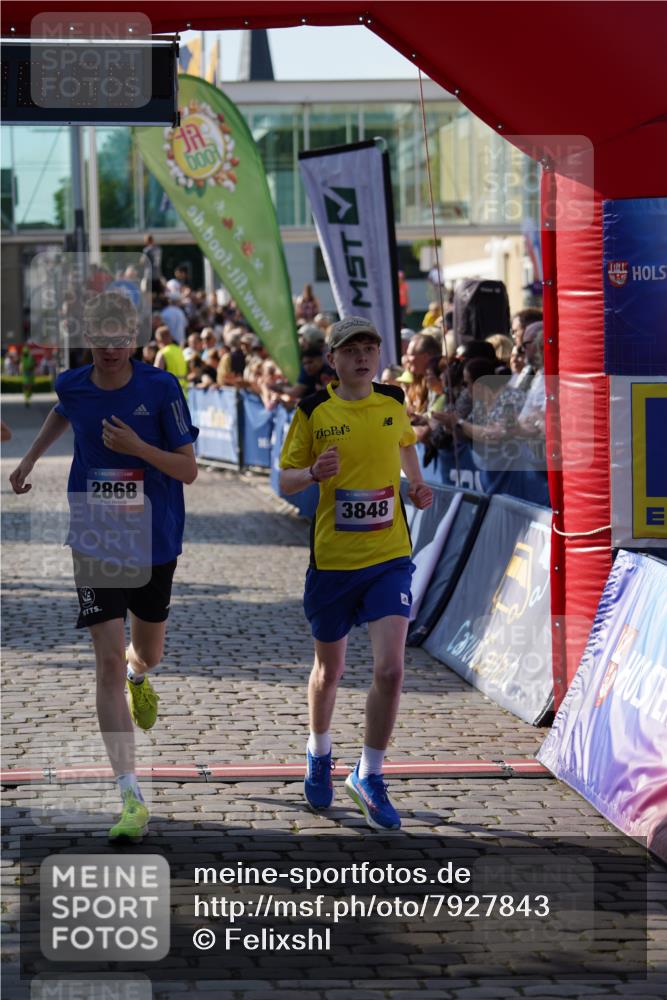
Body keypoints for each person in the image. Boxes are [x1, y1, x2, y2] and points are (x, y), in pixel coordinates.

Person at [9, 291, 199, 842]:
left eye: (121, 337)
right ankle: (130, 794)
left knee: (147, 654)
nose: (111, 347)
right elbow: (63, 410)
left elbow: (187, 470)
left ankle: (144, 676)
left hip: (155, 537)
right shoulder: (73, 382)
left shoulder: (161, 388)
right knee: (108, 663)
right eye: (101, 337)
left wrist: (139, 447)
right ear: (87, 338)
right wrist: (28, 459)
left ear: (135, 337)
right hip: (94, 533)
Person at [279, 316, 432, 831]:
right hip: (334, 563)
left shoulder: (391, 401)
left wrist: (415, 484)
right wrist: (311, 474)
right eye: (352, 350)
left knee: (390, 669)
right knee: (330, 671)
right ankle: (319, 752)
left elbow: (406, 440)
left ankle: (369, 774)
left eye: (370, 347)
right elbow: (283, 480)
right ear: (334, 360)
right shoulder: (313, 411)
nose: (363, 357)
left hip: (389, 556)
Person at [154, 325, 188, 392]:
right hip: (183, 392)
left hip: (170, 392)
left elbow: (156, 375)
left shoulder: (162, 353)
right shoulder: (179, 350)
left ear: (158, 340)